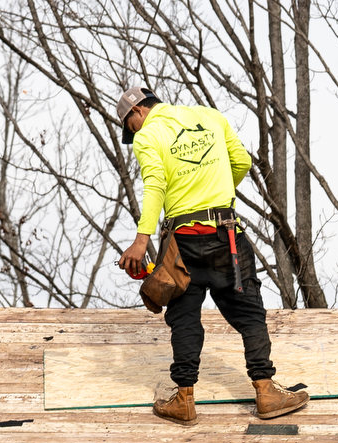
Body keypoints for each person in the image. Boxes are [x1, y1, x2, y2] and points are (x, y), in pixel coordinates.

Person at [112, 87, 306, 425]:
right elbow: (241, 161)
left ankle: (184, 399)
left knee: (184, 316)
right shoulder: (209, 117)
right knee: (249, 312)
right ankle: (266, 390)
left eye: (131, 127)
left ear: (138, 112)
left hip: (183, 243)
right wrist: (216, 190)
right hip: (226, 234)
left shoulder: (148, 136)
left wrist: (141, 240)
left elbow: (155, 184)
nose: (134, 134)